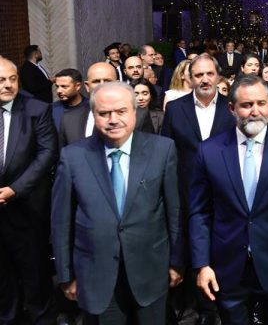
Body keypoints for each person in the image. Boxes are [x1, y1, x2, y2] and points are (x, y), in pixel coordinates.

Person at [188, 75, 268, 324]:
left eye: (261, 104)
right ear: (231, 108)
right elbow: (199, 212)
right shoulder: (209, 150)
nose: (255, 111)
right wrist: (202, 264)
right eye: (247, 105)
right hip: (227, 267)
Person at [51, 81, 183, 323]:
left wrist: (177, 263)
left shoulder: (162, 150)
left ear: (134, 111)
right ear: (94, 115)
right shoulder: (73, 156)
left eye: (121, 111)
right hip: (96, 275)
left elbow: (174, 212)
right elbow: (61, 222)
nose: (113, 120)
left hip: (151, 271)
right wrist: (66, 275)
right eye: (104, 113)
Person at [160, 54, 235, 325]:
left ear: (218, 76)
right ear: (190, 78)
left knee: (222, 246)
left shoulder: (231, 107)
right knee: (192, 243)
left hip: (225, 192)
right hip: (186, 190)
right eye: (199, 75)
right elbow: (166, 150)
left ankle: (222, 302)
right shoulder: (175, 109)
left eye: (209, 74)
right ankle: (200, 307)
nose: (204, 79)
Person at [0, 57, 58, 324]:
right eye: (1, 80)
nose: (8, 85)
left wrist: (15, 189)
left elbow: (47, 154)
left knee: (35, 276)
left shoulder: (37, 109)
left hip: (26, 208)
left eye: (12, 79)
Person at [59, 62, 154, 148]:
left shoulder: (139, 116)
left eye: (107, 81)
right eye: (96, 81)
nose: (102, 86)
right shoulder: (69, 119)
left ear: (117, 84)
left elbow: (149, 153)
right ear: (87, 86)